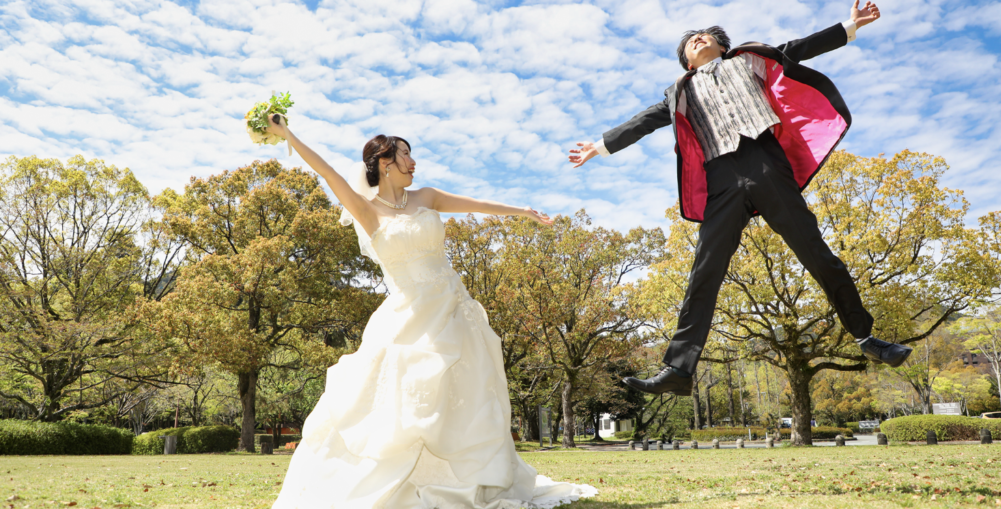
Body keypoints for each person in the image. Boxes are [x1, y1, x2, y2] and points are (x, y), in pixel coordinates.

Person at [568, 1, 911, 398]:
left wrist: (850, 25)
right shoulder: (680, 91)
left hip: (765, 162)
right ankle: (678, 369)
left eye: (706, 35)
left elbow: (799, 47)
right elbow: (642, 122)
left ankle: (867, 338)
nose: (699, 38)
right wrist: (599, 145)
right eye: (690, 42)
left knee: (816, 253)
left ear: (721, 45)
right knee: (705, 271)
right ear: (686, 61)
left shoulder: (750, 61)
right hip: (721, 179)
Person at [264, 116, 596, 508]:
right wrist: (288, 135)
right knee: (401, 402)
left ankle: (472, 477)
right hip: (407, 315)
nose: (413, 160)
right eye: (405, 154)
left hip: (454, 310)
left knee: (465, 396)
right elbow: (327, 170)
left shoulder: (426, 197)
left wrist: (522, 211)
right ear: (385, 162)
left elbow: (477, 205)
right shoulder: (367, 210)